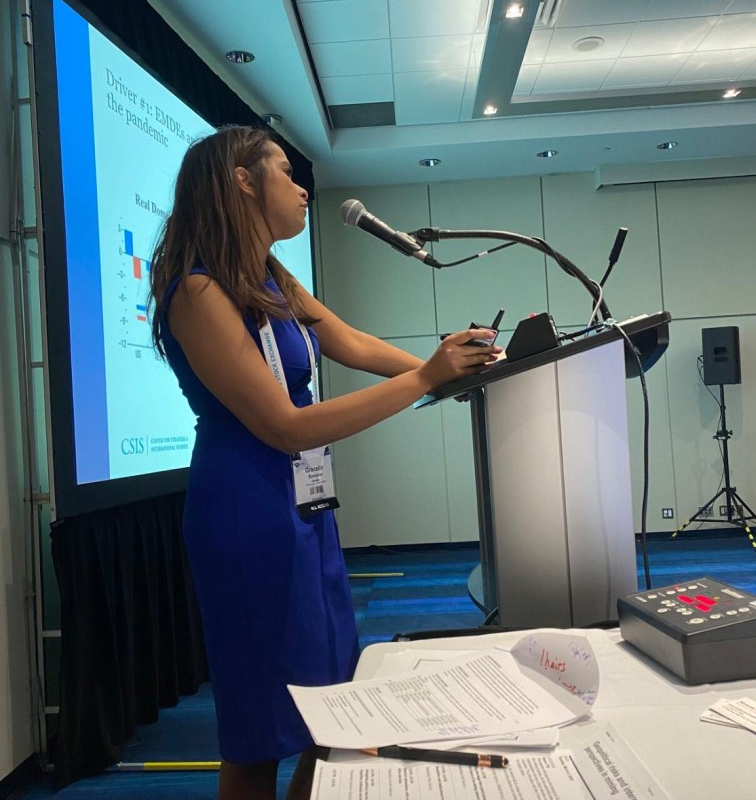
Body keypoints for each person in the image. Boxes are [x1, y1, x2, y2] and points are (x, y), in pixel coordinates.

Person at [148, 125, 500, 800]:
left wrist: (462, 369)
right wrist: (427, 378)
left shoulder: (272, 277)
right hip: (245, 513)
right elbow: (283, 427)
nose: (302, 187)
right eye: (285, 171)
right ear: (242, 181)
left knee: (330, 708)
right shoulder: (197, 292)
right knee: (257, 731)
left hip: (304, 511)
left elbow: (355, 344)